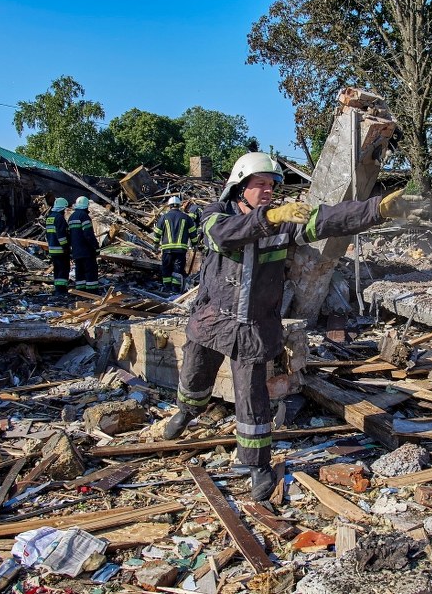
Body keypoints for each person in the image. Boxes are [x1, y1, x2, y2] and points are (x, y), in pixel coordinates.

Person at [162, 152, 407, 501]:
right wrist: (270, 217)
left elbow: (328, 219)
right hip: (213, 318)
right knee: (195, 374)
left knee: (252, 397)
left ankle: (257, 464)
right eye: (259, 184)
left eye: (271, 186)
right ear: (239, 186)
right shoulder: (215, 215)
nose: (267, 191)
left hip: (254, 326)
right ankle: (187, 412)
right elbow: (223, 236)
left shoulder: (284, 225)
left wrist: (376, 209)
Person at [153, 195, 199, 293]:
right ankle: (175, 289)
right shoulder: (186, 218)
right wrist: (195, 244)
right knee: (178, 269)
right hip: (180, 250)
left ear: (169, 206)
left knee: (166, 268)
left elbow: (157, 232)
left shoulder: (163, 217)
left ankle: (166, 288)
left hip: (167, 249)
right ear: (179, 206)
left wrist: (156, 244)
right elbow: (193, 233)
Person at [69, 196, 100, 293]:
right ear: (86, 206)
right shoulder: (84, 216)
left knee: (80, 272)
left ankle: (81, 291)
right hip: (86, 250)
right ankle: (92, 292)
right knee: (90, 270)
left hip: (76, 250)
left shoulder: (71, 217)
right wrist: (95, 247)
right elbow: (88, 235)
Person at [45, 197, 71, 294]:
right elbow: (61, 235)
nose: (65, 211)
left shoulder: (50, 217)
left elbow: (48, 234)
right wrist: (66, 247)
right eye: (64, 209)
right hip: (60, 249)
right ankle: (61, 290)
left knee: (57, 269)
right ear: (62, 208)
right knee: (63, 269)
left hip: (52, 248)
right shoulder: (59, 218)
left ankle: (58, 289)